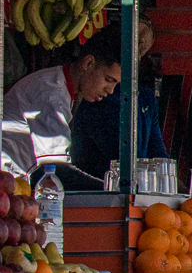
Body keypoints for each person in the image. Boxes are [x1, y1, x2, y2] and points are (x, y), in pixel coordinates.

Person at [2, 25, 122, 189]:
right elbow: (55, 171)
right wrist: (109, 191)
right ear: (88, 63)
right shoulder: (51, 95)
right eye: (109, 79)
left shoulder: (61, 86)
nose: (110, 90)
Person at [70, 16, 166, 181]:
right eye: (132, 38)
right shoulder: (94, 93)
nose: (137, 43)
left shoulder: (146, 97)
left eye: (142, 43)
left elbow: (159, 155)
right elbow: (116, 154)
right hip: (95, 189)